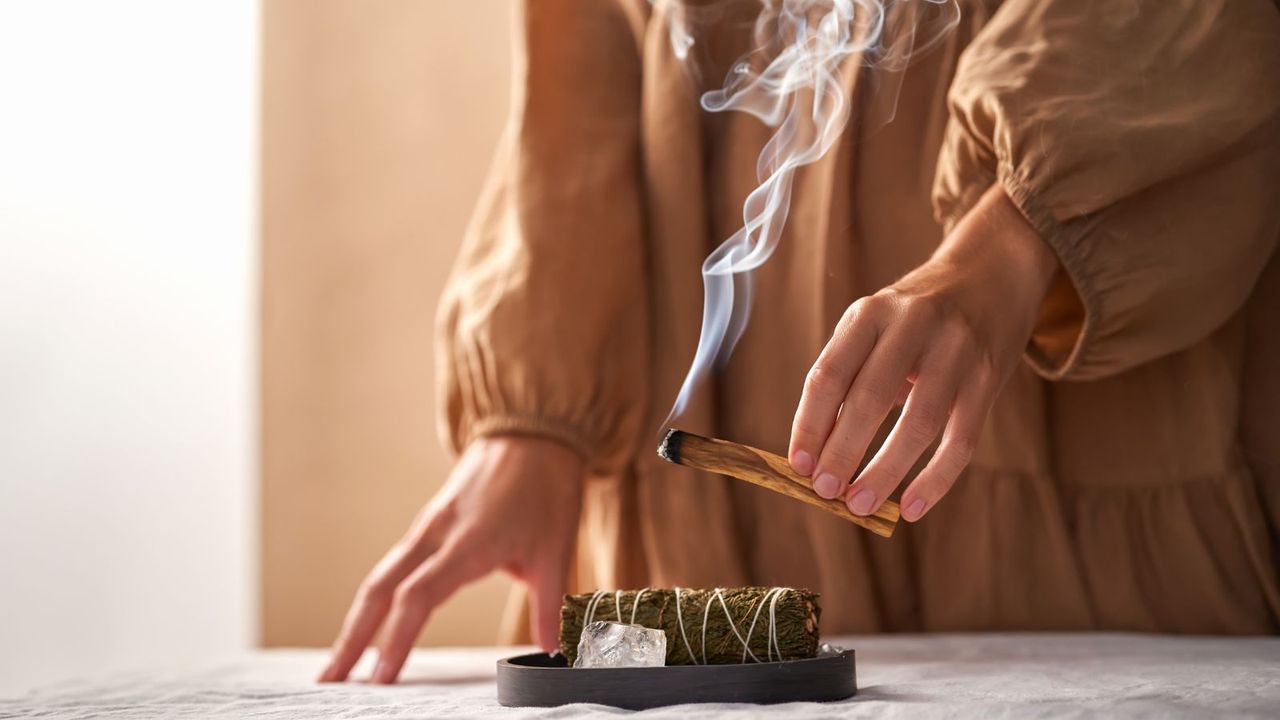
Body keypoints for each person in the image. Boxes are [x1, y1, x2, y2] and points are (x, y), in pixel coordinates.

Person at [320, 0, 1280, 684]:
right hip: (702, 525)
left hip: (1086, 403)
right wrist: (533, 419)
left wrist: (1015, 244)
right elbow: (590, 41)